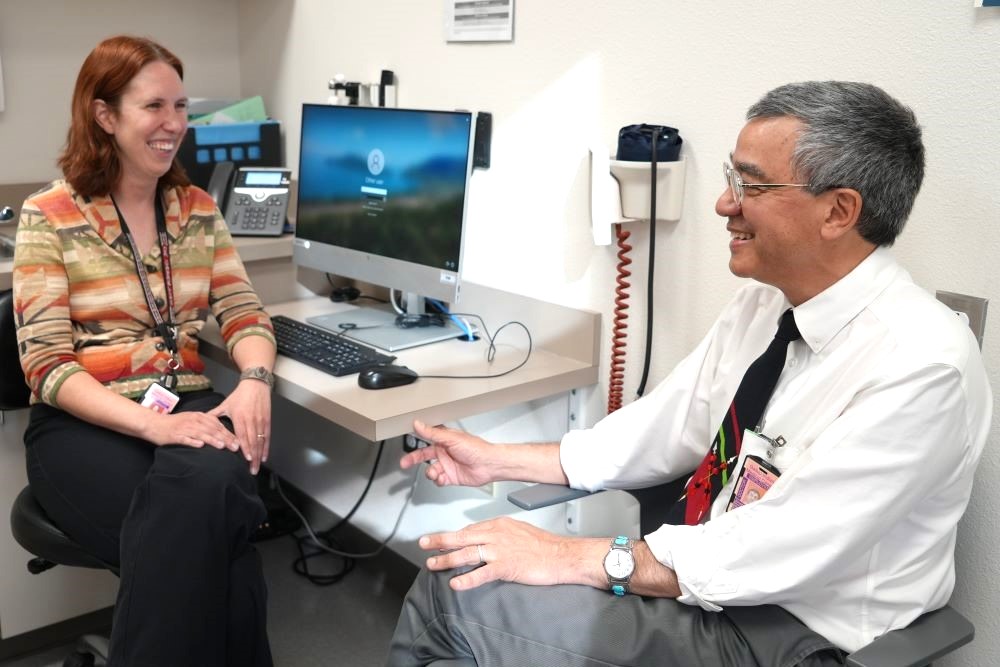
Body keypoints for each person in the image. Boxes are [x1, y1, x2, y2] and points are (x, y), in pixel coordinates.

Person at [386, 81, 992, 667]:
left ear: (838, 211)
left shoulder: (922, 366)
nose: (725, 203)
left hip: (786, 633)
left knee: (454, 593)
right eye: (733, 179)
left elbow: (774, 548)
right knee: (464, 584)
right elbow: (668, 423)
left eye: (749, 185)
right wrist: (501, 459)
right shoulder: (768, 304)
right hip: (707, 584)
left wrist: (565, 555)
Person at [12, 35, 276, 666]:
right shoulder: (48, 216)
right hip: (84, 423)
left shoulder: (197, 209)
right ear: (105, 116)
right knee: (218, 531)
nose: (175, 124)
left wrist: (257, 379)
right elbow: (46, 366)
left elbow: (244, 312)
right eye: (154, 106)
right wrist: (156, 429)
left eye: (182, 107)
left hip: (187, 401)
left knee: (204, 503)